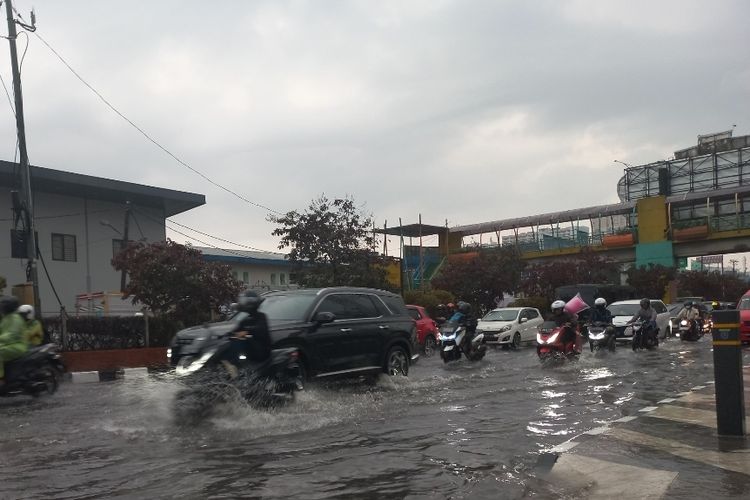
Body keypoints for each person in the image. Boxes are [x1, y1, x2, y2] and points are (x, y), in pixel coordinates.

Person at [222, 290, 271, 378]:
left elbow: (260, 330)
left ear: (251, 303)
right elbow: (234, 331)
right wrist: (222, 335)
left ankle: (236, 373)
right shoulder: (246, 320)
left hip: (261, 352)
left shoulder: (261, 317)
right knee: (226, 346)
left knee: (237, 344)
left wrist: (246, 332)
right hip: (250, 352)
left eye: (245, 302)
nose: (242, 304)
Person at [0, 296, 28, 387]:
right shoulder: (5, 318)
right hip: (8, 344)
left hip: (18, 346)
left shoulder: (15, 318)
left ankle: (1, 378)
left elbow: (11, 334)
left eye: (3, 306)